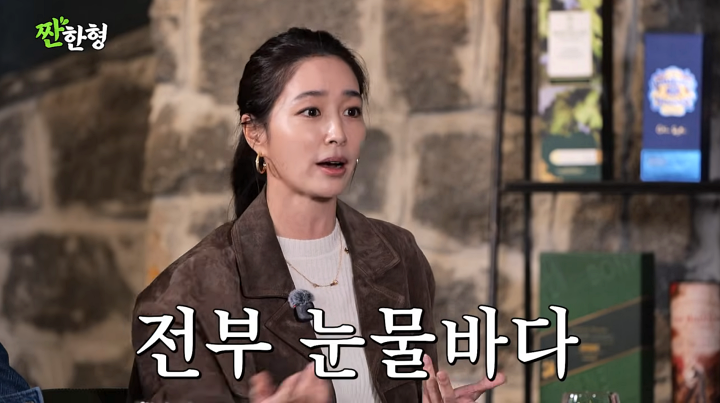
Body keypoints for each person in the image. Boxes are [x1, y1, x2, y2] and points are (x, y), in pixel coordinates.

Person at [129, 27, 506, 403]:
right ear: (255, 133)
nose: (337, 132)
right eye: (311, 111)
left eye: (351, 111)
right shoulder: (183, 298)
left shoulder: (398, 255)